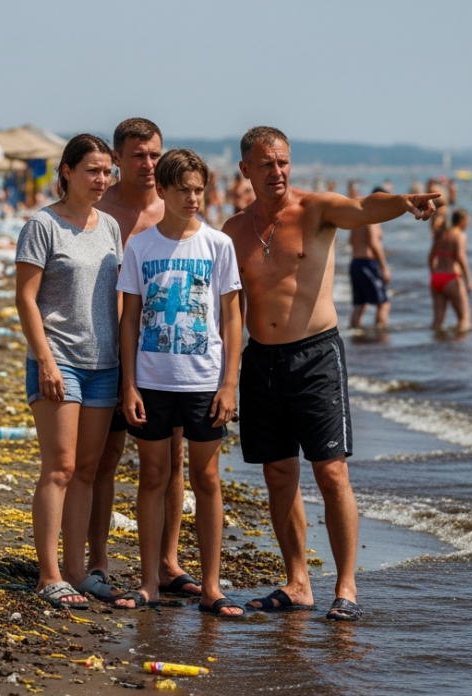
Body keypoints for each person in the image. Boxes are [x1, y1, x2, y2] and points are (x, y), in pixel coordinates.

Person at [222, 126, 439, 622]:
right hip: (261, 361)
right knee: (278, 476)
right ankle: (298, 583)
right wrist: (226, 376)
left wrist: (404, 202)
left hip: (316, 355)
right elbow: (228, 308)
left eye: (283, 162)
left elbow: (364, 208)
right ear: (245, 170)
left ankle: (346, 587)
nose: (277, 172)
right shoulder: (233, 231)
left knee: (332, 471)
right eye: (266, 164)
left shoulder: (315, 210)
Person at [118, 149, 243, 615]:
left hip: (203, 380)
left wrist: (230, 381)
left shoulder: (218, 245)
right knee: (152, 476)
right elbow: (130, 319)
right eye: (183, 189)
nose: (193, 198)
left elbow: (232, 316)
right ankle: (149, 581)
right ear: (164, 191)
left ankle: (211, 586)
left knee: (206, 478)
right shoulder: (141, 247)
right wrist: (128, 384)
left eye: (199, 189)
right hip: (151, 381)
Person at [90, 118, 200, 605]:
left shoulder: (170, 206)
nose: (149, 164)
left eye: (155, 154)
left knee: (171, 461)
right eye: (138, 155)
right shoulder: (100, 207)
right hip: (108, 353)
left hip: (161, 356)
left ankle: (166, 561)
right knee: (103, 458)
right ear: (117, 157)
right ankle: (97, 559)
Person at [15, 134, 122, 609]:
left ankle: (79, 573)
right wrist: (44, 359)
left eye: (107, 172)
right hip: (59, 360)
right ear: (67, 172)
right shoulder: (42, 225)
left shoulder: (112, 227)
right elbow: (25, 298)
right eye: (92, 171)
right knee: (58, 468)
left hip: (105, 364)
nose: (101, 180)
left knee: (87, 471)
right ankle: (49, 575)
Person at [348, 190, 391, 330]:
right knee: (383, 304)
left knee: (360, 305)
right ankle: (381, 339)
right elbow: (374, 243)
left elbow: (351, 241)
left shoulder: (358, 218)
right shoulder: (372, 218)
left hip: (355, 263)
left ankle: (354, 335)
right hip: (367, 264)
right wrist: (384, 267)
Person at [430, 209, 472, 331]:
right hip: (452, 278)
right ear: (462, 221)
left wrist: (433, 273)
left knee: (437, 321)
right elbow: (460, 256)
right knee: (464, 320)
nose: (468, 224)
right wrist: (468, 279)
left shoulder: (442, 235)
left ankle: (436, 347)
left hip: (436, 278)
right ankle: (460, 348)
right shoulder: (460, 235)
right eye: (467, 221)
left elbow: (431, 257)